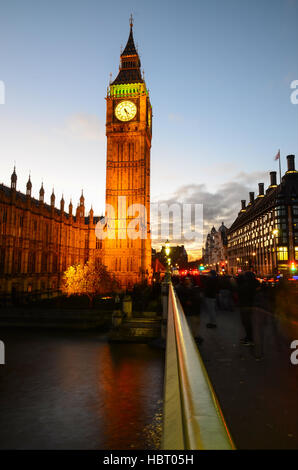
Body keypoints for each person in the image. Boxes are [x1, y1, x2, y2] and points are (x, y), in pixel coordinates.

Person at [176, 277, 203, 345]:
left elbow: (198, 298)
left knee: (196, 322)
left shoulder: (193, 288)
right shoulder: (183, 289)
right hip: (191, 310)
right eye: (186, 280)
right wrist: (187, 301)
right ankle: (193, 337)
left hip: (195, 308)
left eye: (189, 280)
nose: (188, 281)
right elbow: (183, 298)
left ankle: (195, 335)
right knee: (193, 322)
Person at [237, 271, 259, 346]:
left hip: (246, 305)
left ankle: (250, 339)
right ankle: (248, 337)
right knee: (247, 323)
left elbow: (240, 291)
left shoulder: (247, 285)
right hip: (249, 305)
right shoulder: (254, 283)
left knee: (247, 323)